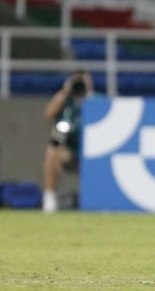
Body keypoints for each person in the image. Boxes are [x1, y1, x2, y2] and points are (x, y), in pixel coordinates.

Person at [42, 70, 94, 213]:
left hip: (95, 152)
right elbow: (48, 113)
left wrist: (88, 92)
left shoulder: (95, 100)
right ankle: (49, 197)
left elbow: (106, 109)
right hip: (72, 152)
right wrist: (65, 91)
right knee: (52, 150)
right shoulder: (66, 103)